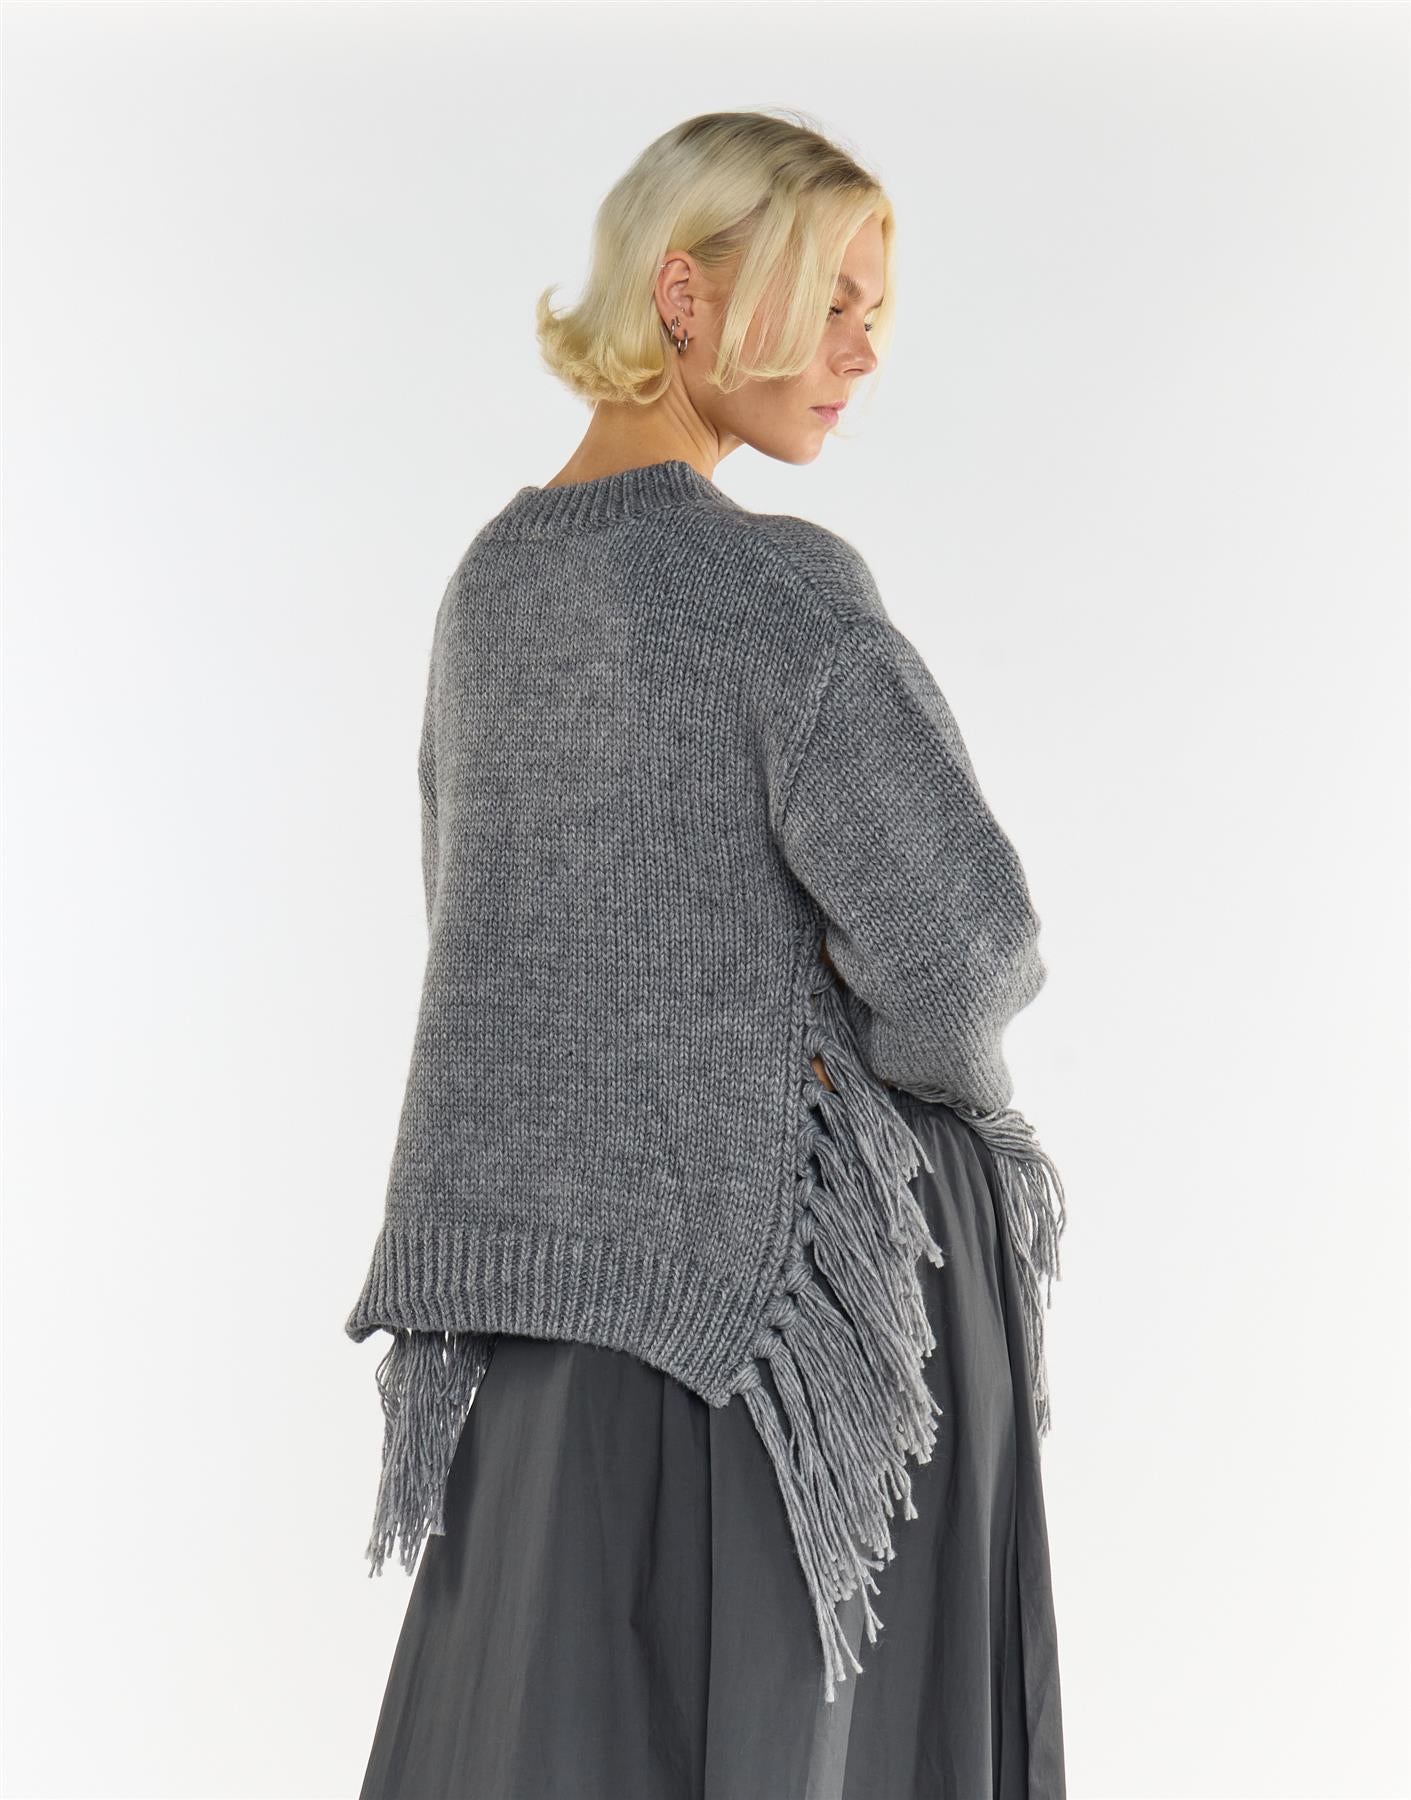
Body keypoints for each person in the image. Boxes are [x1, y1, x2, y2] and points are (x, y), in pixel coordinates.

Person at [349, 107, 1069, 1799]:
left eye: (877, 314)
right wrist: (909, 1104)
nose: (863, 351)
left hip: (542, 1313)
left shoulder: (487, 592)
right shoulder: (777, 591)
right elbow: (966, 950)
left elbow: (488, 935)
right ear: (684, 295)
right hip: (790, 1316)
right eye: (831, 303)